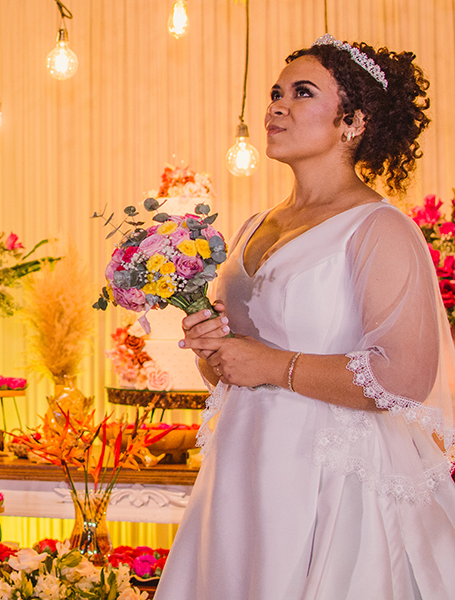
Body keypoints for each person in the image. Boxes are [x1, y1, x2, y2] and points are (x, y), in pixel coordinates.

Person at [156, 35, 455, 599]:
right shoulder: (253, 226)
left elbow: (405, 378)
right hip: (244, 467)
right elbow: (232, 372)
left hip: (332, 479)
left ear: (353, 121)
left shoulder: (379, 228)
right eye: (275, 92)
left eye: (302, 92)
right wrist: (212, 349)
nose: (275, 105)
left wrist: (272, 364)